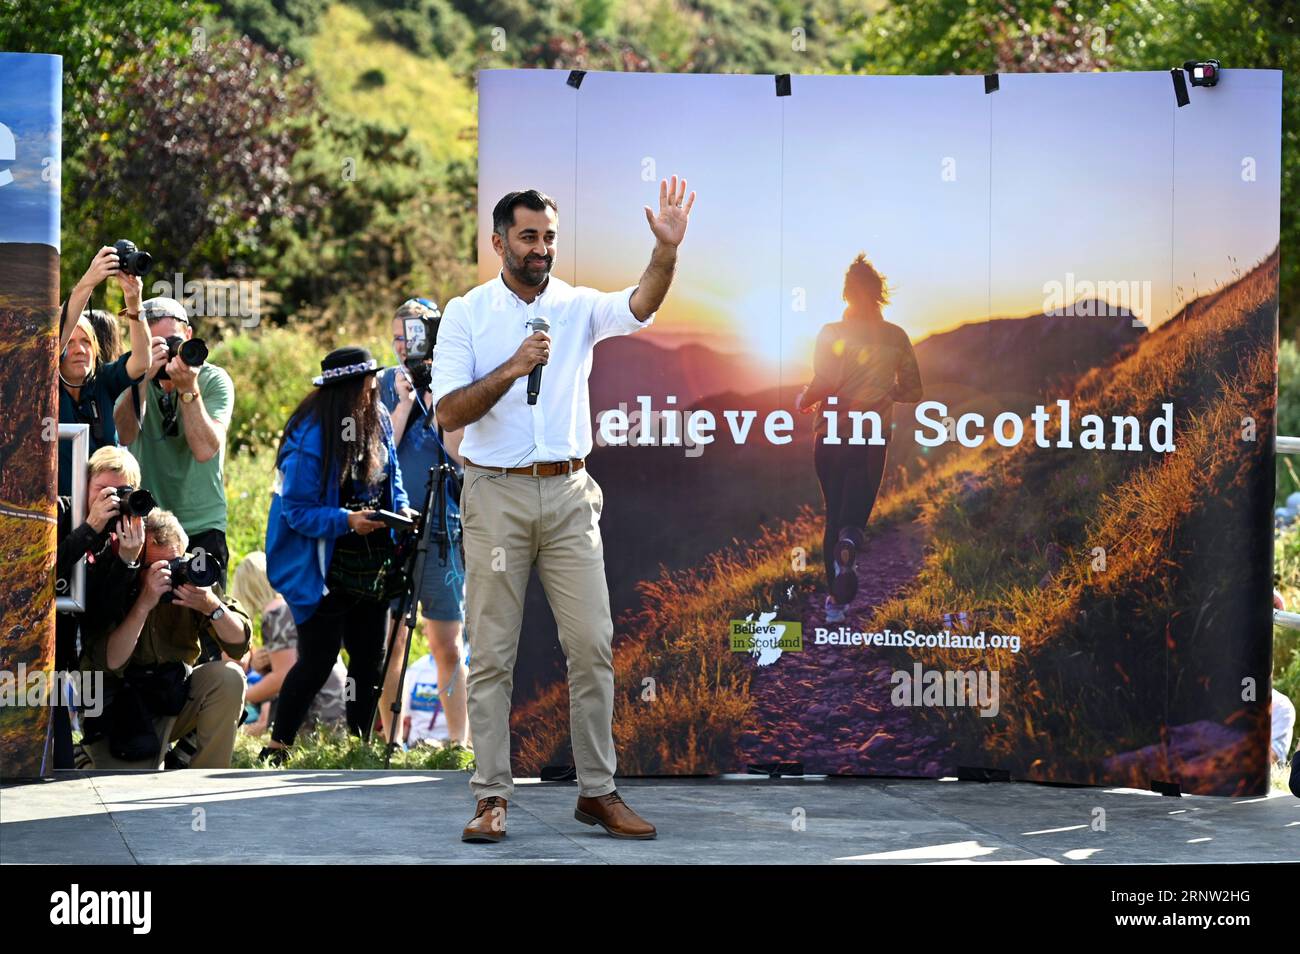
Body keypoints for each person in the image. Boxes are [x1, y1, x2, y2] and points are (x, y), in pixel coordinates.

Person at [432, 178, 695, 842]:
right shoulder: (466, 314)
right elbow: (449, 413)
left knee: (592, 647)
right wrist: (514, 367)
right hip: (496, 493)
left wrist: (665, 252)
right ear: (498, 243)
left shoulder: (576, 306)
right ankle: (492, 797)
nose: (542, 248)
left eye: (549, 237)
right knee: (492, 653)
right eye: (528, 237)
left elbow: (640, 304)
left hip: (573, 493)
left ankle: (597, 793)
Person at [261, 347, 416, 764]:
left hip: (372, 559)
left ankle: (358, 746)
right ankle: (277, 747)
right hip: (322, 563)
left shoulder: (378, 418)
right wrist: (348, 521)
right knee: (318, 659)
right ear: (347, 389)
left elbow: (393, 478)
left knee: (369, 658)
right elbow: (296, 511)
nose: (373, 389)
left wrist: (399, 509)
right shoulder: (311, 434)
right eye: (367, 384)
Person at [795, 253, 923, 624]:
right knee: (852, 521)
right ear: (879, 294)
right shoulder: (896, 336)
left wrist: (804, 399)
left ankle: (836, 604)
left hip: (829, 435)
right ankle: (849, 546)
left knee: (832, 515)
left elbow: (826, 381)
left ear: (847, 293)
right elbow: (913, 390)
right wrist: (884, 393)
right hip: (870, 438)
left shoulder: (831, 332)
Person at [77, 509, 253, 769]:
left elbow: (239, 644)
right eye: (159, 567)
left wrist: (211, 605)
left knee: (229, 678)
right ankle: (82, 756)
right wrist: (144, 603)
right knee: (124, 790)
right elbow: (112, 660)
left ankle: (203, 784)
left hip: (171, 695)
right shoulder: (116, 579)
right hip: (119, 709)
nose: (170, 574)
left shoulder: (193, 573)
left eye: (176, 563)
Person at [377, 298, 468, 747]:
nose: (403, 347)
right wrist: (403, 404)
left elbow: (459, 454)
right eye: (397, 337)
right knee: (389, 642)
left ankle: (458, 740)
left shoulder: (455, 380)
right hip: (392, 530)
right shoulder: (381, 384)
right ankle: (390, 737)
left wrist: (435, 402)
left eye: (412, 337)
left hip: (441, 529)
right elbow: (377, 459)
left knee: (446, 644)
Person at [115, 296, 235, 591]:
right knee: (150, 620)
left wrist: (188, 389)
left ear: (189, 338)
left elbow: (205, 449)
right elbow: (125, 434)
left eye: (172, 342)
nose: (166, 351)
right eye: (153, 344)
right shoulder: (130, 377)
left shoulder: (213, 380)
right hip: (150, 522)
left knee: (206, 616)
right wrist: (142, 375)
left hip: (202, 523)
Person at [52, 446, 148, 767]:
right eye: (102, 491)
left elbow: (99, 616)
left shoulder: (121, 536)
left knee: (60, 766)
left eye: (121, 493)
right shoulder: (60, 513)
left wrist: (125, 561)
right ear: (83, 485)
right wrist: (88, 529)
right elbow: (41, 575)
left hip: (70, 669)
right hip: (29, 658)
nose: (111, 501)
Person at [56, 246, 161, 496]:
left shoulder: (101, 381)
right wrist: (90, 280)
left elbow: (142, 361)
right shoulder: (43, 386)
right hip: (58, 512)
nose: (80, 350)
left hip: (107, 506)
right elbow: (52, 336)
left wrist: (134, 304)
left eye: (86, 342)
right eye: (70, 344)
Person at [229, 552, 347, 737]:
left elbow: (283, 677)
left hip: (320, 711)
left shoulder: (276, 613)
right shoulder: (294, 604)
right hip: (338, 703)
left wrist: (238, 698)